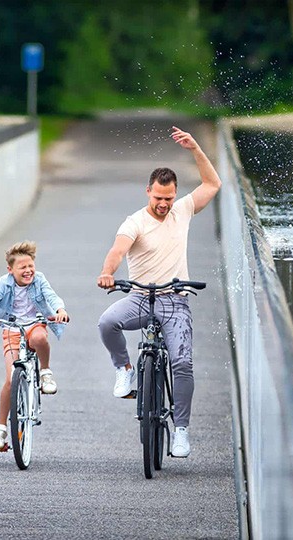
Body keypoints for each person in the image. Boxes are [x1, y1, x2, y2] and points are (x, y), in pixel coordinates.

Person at [96, 125, 221, 458]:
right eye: (157, 198)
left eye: (168, 198)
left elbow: (213, 184)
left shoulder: (183, 210)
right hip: (139, 298)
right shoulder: (134, 221)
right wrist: (108, 273)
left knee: (182, 363)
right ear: (147, 192)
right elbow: (118, 250)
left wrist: (195, 149)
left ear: (175, 194)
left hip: (175, 301)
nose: (164, 204)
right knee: (107, 322)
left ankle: (181, 430)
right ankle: (123, 370)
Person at [0, 240, 69, 452]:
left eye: (30, 266)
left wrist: (59, 310)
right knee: (10, 379)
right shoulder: (4, 283)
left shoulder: (40, 279)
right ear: (10, 269)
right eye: (22, 267)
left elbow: (51, 297)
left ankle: (45, 371)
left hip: (35, 323)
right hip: (12, 329)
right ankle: (1, 428)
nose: (28, 271)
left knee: (40, 339)